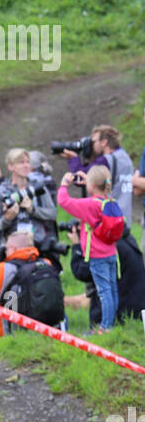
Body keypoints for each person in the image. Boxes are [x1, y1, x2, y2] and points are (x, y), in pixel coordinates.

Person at [59, 164, 121, 330]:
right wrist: (91, 181)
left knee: (104, 292)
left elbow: (64, 201)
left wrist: (64, 184)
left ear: (92, 186)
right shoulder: (110, 201)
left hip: (97, 257)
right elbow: (100, 190)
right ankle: (112, 323)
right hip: (112, 254)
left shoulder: (89, 205)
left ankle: (106, 327)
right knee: (112, 289)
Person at [0, 232, 65, 334]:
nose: (4, 251)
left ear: (14, 249)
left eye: (6, 248)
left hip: (11, 335)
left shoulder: (2, 269)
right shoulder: (46, 263)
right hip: (47, 332)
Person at [69, 222, 145, 328]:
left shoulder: (106, 247)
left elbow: (81, 272)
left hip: (120, 317)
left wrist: (77, 246)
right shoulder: (126, 238)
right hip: (135, 313)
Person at [61, 125, 134, 228]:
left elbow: (81, 177)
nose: (91, 145)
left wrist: (73, 159)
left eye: (93, 142)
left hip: (109, 221)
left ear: (104, 142)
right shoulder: (126, 158)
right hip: (124, 218)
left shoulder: (106, 160)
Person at [0, 149, 56, 248]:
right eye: (21, 162)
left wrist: (32, 210)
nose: (26, 165)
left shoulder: (39, 187)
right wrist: (7, 218)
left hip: (38, 246)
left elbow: (53, 214)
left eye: (28, 162)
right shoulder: (1, 191)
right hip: (12, 248)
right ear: (11, 167)